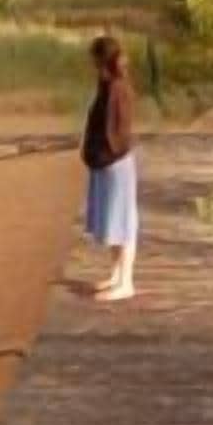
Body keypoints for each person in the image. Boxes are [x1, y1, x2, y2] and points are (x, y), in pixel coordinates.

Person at [81, 34, 138, 301]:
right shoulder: (107, 85)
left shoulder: (117, 89)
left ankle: (126, 282)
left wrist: (104, 156)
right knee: (113, 221)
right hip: (106, 163)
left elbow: (119, 134)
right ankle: (116, 274)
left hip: (116, 165)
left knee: (123, 222)